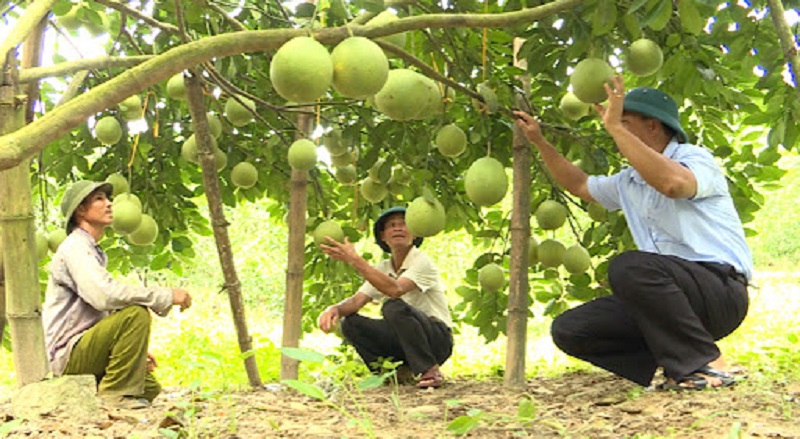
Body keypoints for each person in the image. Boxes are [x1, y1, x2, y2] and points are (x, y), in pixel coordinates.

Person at [513, 76, 751, 390]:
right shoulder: (629, 180)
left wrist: (615, 128)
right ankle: (676, 362)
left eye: (624, 121)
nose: (613, 129)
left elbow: (674, 184)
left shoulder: (693, 158)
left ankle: (705, 364)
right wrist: (540, 142)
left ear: (653, 126)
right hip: (667, 303)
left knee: (631, 266)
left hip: (719, 292)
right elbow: (581, 185)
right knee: (571, 329)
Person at [43, 180, 192, 409]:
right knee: (135, 314)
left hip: (83, 347)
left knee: (149, 388)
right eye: (99, 199)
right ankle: (114, 396)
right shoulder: (75, 248)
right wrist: (165, 296)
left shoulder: (89, 248)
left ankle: (95, 395)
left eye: (108, 198)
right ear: (80, 210)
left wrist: (130, 353)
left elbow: (100, 311)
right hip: (68, 354)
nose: (109, 204)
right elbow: (104, 295)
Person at [316, 206, 454, 388]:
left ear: (415, 234)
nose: (398, 228)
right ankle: (391, 374)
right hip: (404, 342)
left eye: (404, 224)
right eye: (391, 225)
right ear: (383, 236)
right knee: (350, 323)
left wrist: (355, 260)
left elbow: (395, 289)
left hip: (436, 340)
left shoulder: (422, 261)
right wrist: (334, 309)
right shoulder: (383, 268)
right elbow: (357, 301)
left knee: (393, 306)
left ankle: (429, 370)